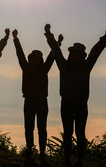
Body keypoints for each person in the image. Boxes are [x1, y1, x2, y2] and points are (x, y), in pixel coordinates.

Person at [44, 24, 106, 167]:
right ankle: (68, 160)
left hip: (79, 105)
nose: (74, 55)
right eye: (73, 53)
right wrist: (49, 34)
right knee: (68, 134)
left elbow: (95, 52)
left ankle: (79, 160)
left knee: (80, 134)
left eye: (76, 53)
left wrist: (104, 38)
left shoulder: (82, 67)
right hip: (69, 104)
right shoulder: (69, 66)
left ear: (80, 55)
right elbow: (55, 50)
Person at [12, 29, 63, 161]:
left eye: (37, 58)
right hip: (29, 101)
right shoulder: (26, 67)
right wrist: (15, 39)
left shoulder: (44, 68)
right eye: (33, 57)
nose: (35, 59)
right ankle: (30, 149)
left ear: (40, 59)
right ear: (30, 59)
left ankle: (41, 151)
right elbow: (20, 54)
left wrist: (58, 43)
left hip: (41, 102)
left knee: (41, 128)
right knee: (29, 127)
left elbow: (52, 56)